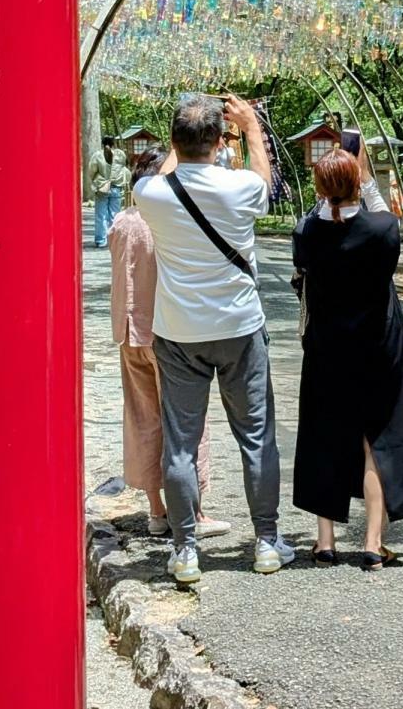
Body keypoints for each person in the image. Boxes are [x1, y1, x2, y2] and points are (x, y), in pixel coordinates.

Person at [134, 92, 295, 584]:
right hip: (239, 328)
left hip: (178, 332)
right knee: (256, 436)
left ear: (174, 141)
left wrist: (180, 142)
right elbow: (266, 184)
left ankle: (184, 550)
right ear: (219, 140)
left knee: (180, 444)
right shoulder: (239, 187)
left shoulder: (151, 194)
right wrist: (250, 129)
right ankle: (266, 541)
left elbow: (164, 172)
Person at [290, 144, 403, 567]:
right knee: (375, 439)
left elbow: (310, 231)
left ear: (321, 188)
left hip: (328, 348)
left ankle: (325, 540)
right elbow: (382, 215)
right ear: (358, 184)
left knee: (324, 434)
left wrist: (330, 189)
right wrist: (362, 176)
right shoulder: (381, 230)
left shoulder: (307, 233)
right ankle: (371, 540)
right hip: (378, 347)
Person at [109, 152, 230, 542]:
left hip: (128, 333)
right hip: (166, 332)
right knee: (185, 421)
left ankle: (157, 511)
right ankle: (193, 512)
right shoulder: (162, 221)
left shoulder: (121, 222)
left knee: (143, 418)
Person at [88, 137, 130, 249]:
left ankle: (101, 241)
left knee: (101, 215)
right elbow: (124, 168)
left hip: (102, 187)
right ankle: (114, 240)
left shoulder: (97, 155)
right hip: (116, 187)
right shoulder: (120, 154)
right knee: (114, 215)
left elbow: (91, 170)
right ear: (113, 143)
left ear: (102, 144)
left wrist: (96, 180)